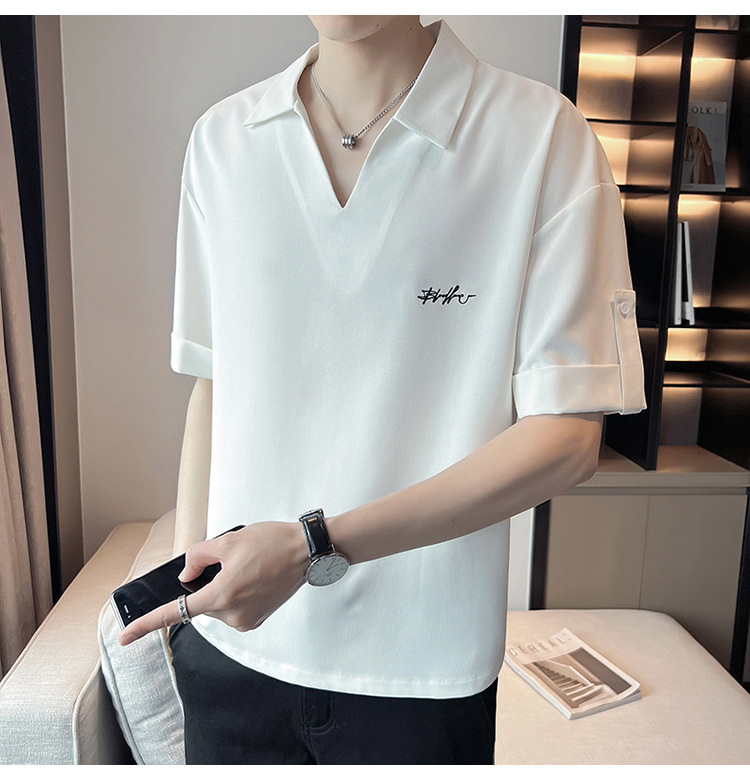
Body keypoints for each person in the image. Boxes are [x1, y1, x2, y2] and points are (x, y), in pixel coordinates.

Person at [119, 15, 646, 764]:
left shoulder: (541, 138)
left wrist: (313, 545)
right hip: (232, 656)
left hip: (421, 673)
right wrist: (188, 600)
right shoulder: (223, 141)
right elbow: (214, 381)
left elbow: (567, 441)